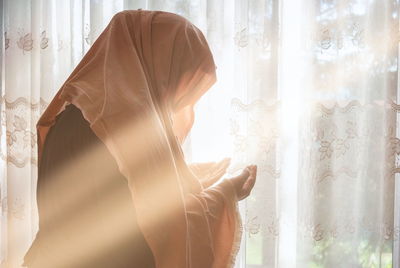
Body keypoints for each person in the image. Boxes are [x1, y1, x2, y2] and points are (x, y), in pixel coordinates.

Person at [23, 10, 257, 268]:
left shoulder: (79, 116)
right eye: (177, 79)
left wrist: (188, 180)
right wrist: (227, 192)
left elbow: (123, 201)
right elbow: (150, 241)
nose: (175, 101)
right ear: (155, 67)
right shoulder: (117, 133)